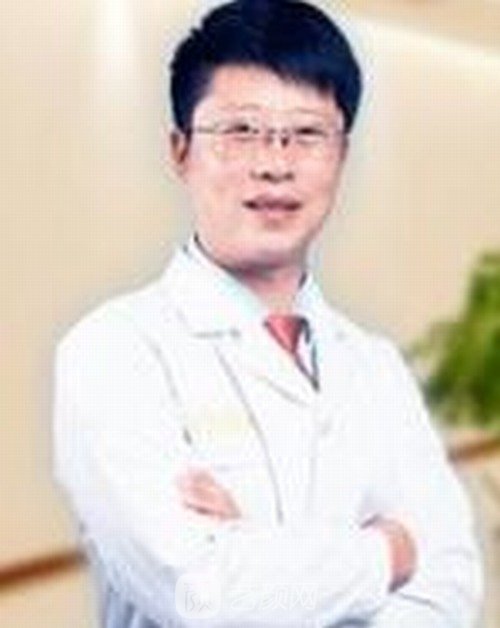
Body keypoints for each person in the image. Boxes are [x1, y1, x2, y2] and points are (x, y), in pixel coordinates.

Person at [53, 1, 482, 626]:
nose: (275, 164)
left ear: (341, 154)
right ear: (180, 151)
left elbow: (451, 586)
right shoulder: (112, 351)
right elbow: (202, 595)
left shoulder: (375, 365)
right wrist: (392, 549)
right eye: (240, 130)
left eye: (307, 134)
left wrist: (261, 555)